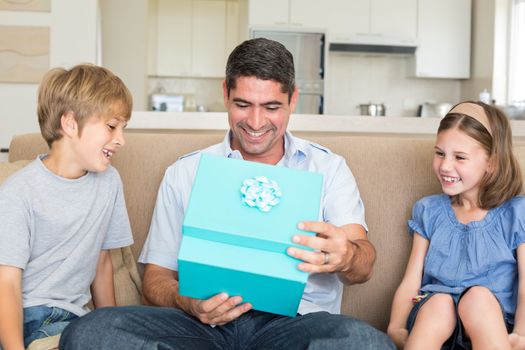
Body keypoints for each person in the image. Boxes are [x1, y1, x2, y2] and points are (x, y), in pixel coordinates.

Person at [59, 38, 395, 349]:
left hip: (295, 327)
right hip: (201, 326)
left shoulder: (328, 169)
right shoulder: (185, 172)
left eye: (272, 107)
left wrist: (346, 256)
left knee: (369, 343)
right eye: (243, 104)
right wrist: (187, 302)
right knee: (89, 332)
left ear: (293, 99)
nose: (256, 121)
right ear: (225, 93)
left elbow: (363, 266)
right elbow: (156, 278)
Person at [0, 64, 134, 350]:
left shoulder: (109, 182)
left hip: (73, 322)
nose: (121, 139)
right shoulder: (19, 192)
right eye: (112, 126)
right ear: (70, 123)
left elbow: (101, 262)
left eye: (123, 128)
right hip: (25, 317)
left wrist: (110, 329)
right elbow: (7, 284)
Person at [387, 101, 525, 350]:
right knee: (439, 303)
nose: (445, 166)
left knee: (479, 298)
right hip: (434, 320)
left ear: (491, 163)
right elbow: (411, 280)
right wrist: (396, 327)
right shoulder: (429, 210)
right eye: (439, 153)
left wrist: (521, 333)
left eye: (459, 157)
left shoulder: (516, 213)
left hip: (492, 325)